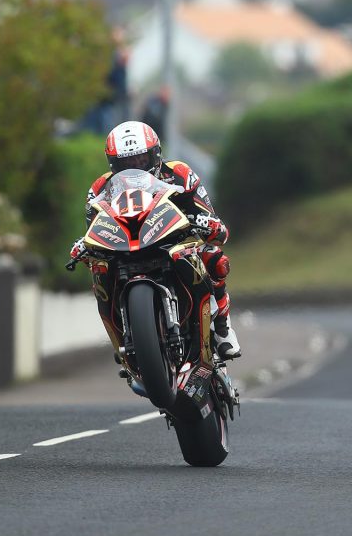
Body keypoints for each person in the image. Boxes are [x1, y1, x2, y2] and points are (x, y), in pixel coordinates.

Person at [69, 120, 240, 361]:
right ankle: (122, 341)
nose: (135, 168)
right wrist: (84, 246)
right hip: (124, 250)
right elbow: (93, 232)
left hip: (171, 244)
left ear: (156, 155)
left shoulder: (181, 174)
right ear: (113, 164)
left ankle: (222, 328)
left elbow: (213, 224)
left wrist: (207, 223)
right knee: (100, 272)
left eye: (140, 161)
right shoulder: (100, 188)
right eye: (126, 164)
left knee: (212, 254)